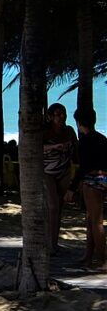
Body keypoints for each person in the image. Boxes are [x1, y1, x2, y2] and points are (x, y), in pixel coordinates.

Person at [65, 108, 106, 269]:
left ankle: (102, 259)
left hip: (92, 180)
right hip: (104, 178)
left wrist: (72, 187)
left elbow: (83, 168)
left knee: (96, 222)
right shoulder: (102, 138)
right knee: (91, 220)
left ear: (79, 123)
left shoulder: (85, 141)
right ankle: (88, 256)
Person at [43, 103, 78, 253]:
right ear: (50, 117)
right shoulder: (45, 131)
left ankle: (54, 242)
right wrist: (55, 147)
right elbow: (36, 147)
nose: (61, 117)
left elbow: (76, 148)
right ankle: (49, 243)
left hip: (64, 170)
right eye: (57, 114)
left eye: (63, 113)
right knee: (52, 206)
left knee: (60, 208)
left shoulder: (69, 131)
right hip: (47, 172)